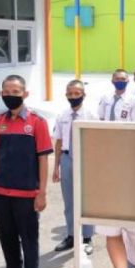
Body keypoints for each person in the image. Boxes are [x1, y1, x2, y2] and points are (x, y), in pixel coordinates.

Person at [0, 75, 52, 268]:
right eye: (7, 91)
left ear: (25, 94)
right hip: (1, 192)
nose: (11, 95)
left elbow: (43, 159)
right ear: (1, 94)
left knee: (29, 239)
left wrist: (42, 193)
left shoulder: (37, 122)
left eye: (16, 91)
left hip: (27, 194)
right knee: (7, 237)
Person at [52, 80, 96, 253]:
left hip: (85, 158)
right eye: (70, 94)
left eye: (77, 94)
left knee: (85, 200)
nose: (73, 97)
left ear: (84, 95)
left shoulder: (91, 115)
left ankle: (87, 237)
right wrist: (56, 166)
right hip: (66, 158)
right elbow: (59, 141)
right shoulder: (62, 115)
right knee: (69, 200)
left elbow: (97, 140)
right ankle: (71, 235)